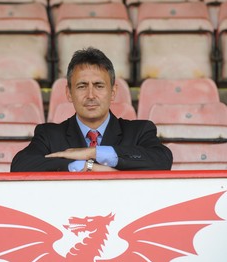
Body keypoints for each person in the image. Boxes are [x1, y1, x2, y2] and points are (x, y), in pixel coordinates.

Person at [11, 47, 173, 172]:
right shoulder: (49, 135)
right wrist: (86, 166)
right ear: (69, 93)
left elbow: (162, 159)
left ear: (113, 92)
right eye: (82, 86)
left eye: (99, 86)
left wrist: (93, 153)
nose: (90, 95)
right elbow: (20, 165)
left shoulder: (139, 131)